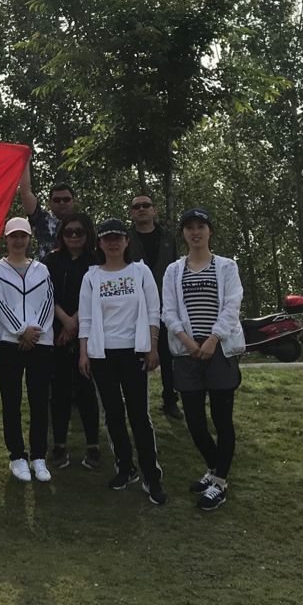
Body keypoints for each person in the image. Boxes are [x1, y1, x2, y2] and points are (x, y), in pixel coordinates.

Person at [161, 208, 245, 511]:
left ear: (210, 231)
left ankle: (219, 482)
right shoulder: (173, 270)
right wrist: (187, 341)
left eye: (200, 226)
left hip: (219, 351)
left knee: (222, 420)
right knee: (195, 422)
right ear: (183, 233)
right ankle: (214, 467)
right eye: (189, 228)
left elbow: (232, 306)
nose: (195, 232)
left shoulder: (226, 267)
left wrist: (212, 340)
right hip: (187, 353)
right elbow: (168, 310)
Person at [79, 217, 166, 505]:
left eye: (118, 237)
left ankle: (151, 476)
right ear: (100, 244)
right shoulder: (92, 277)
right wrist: (84, 353)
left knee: (139, 416)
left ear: (127, 241)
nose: (113, 243)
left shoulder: (140, 272)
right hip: (102, 354)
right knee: (113, 414)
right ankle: (125, 467)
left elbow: (153, 312)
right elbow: (86, 320)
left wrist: (152, 347)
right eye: (107, 238)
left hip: (134, 352)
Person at [0, 216, 55, 483]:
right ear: (6, 239)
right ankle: (17, 455)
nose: (18, 240)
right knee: (11, 400)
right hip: (9, 342)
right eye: (13, 236)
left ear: (29, 238)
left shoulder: (42, 269)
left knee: (39, 400)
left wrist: (34, 333)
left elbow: (48, 302)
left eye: (23, 236)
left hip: (40, 341)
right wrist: (20, 330)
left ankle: (39, 456)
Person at [44, 212, 103, 471]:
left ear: (88, 234)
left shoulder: (98, 261)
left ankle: (93, 445)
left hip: (89, 332)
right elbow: (46, 294)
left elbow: (98, 295)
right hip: (57, 333)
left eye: (80, 231)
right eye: (69, 232)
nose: (74, 236)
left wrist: (74, 322)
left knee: (87, 391)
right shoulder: (51, 261)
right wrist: (65, 321)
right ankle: (59, 444)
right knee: (59, 392)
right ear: (62, 235)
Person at [125, 194, 181, 421]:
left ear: (154, 210)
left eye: (146, 205)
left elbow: (176, 269)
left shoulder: (168, 237)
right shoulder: (126, 239)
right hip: (135, 307)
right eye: (136, 206)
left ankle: (170, 400)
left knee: (167, 355)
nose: (141, 209)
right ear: (131, 213)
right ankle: (135, 403)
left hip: (166, 304)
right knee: (134, 357)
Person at [17, 164, 77, 255]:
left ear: (74, 201)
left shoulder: (82, 223)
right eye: (57, 200)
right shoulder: (42, 220)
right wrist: (25, 161)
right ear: (50, 203)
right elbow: (25, 193)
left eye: (66, 199)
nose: (61, 203)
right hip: (46, 264)